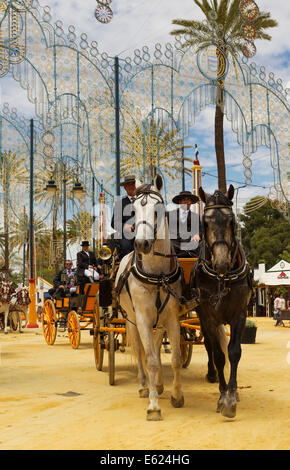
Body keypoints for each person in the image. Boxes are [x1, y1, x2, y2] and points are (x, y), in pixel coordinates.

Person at [167, 190, 201, 258]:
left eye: (188, 200)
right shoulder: (169, 215)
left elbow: (200, 230)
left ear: (191, 202)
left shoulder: (196, 217)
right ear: (180, 202)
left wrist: (197, 235)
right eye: (183, 200)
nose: (186, 201)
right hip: (174, 244)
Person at [111, 174, 136, 257]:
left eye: (133, 184)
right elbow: (114, 223)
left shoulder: (143, 201)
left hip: (143, 233)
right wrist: (125, 226)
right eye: (128, 185)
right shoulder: (120, 203)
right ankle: (130, 266)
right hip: (127, 235)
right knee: (125, 245)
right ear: (125, 187)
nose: (131, 186)